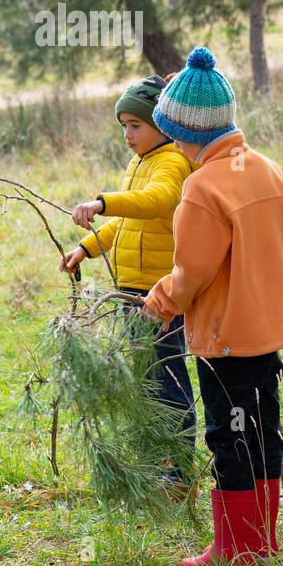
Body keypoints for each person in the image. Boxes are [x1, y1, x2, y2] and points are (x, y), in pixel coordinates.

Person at [141, 46, 283, 566]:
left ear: (180, 130)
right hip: (267, 332)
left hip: (226, 337)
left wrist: (160, 300)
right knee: (262, 432)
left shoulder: (201, 187)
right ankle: (261, 542)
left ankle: (236, 551)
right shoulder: (263, 168)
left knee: (228, 436)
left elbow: (193, 272)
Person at [58, 74, 197, 493]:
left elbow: (159, 201)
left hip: (161, 292)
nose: (127, 135)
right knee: (145, 376)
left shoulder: (172, 161)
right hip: (131, 290)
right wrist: (86, 247)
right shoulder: (138, 163)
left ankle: (180, 469)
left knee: (167, 374)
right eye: (122, 126)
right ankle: (156, 459)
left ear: (161, 124)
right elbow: (127, 219)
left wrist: (101, 202)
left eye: (135, 125)